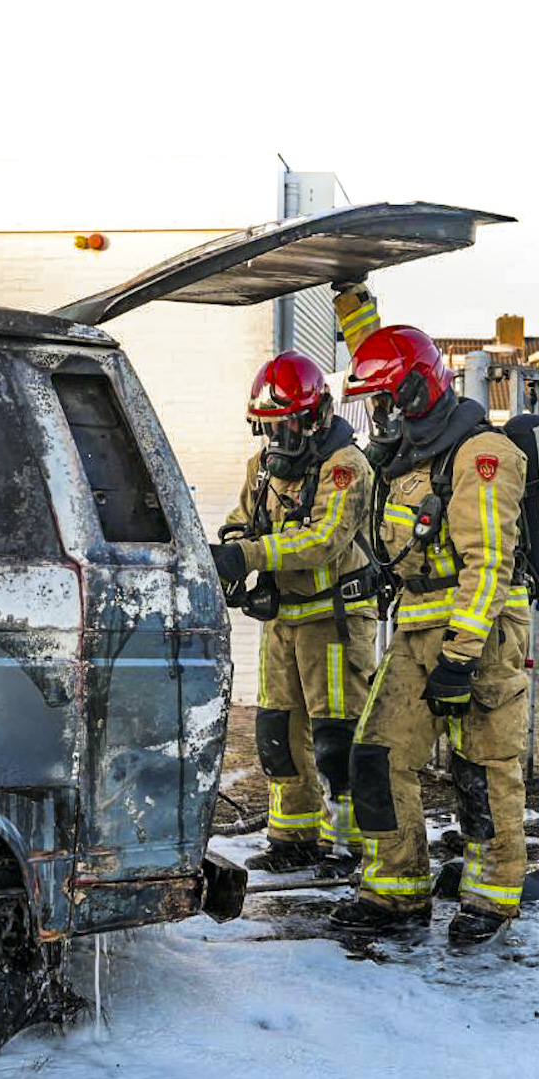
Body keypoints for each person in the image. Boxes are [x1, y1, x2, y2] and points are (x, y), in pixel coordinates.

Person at [328, 318, 532, 947]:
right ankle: (396, 890)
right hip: (418, 632)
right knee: (379, 754)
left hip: (482, 632)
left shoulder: (480, 456)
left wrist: (461, 658)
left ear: (416, 393)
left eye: (386, 403)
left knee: (483, 767)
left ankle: (491, 897)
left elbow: (489, 563)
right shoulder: (410, 458)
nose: (380, 419)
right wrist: (355, 303)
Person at [213, 352, 379, 874]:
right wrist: (235, 548)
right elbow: (243, 519)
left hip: (334, 620)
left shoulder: (346, 468)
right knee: (277, 733)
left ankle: (350, 845)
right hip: (283, 618)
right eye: (267, 429)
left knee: (337, 738)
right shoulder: (262, 467)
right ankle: (294, 836)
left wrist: (253, 555)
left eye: (285, 427)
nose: (276, 440)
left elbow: (324, 541)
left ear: (316, 418)